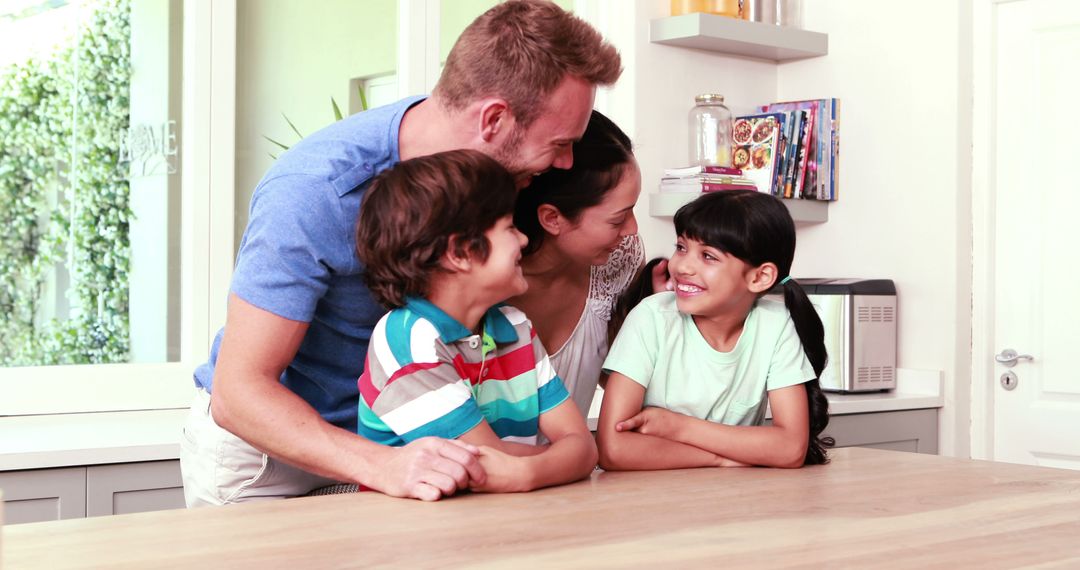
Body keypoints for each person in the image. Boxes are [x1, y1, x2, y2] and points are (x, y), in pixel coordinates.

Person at [180, 0, 621, 506]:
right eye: (560, 143)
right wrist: (384, 464)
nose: (565, 163)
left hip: (411, 442)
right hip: (271, 452)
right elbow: (240, 392)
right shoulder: (315, 191)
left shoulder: (494, 179)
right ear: (494, 119)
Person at [353, 150, 597, 493]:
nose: (524, 239)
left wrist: (526, 473)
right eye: (510, 228)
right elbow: (481, 465)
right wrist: (553, 460)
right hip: (415, 533)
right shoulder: (407, 340)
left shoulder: (515, 328)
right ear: (460, 253)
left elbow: (583, 448)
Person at [596, 190, 833, 470]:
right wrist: (721, 458)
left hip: (734, 500)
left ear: (759, 277)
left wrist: (676, 427)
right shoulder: (651, 317)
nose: (681, 265)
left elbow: (790, 448)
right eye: (681, 247)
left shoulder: (776, 325)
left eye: (708, 256)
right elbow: (613, 449)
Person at [509, 110, 645, 417]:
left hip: (578, 462)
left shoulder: (620, 262)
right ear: (552, 218)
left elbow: (624, 389)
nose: (632, 229)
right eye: (619, 217)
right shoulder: (480, 284)